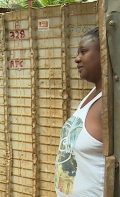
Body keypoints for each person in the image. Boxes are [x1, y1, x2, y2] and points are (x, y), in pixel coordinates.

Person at [54, 27, 103, 196]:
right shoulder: (91, 96)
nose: (77, 59)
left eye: (84, 51)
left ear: (105, 52)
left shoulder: (110, 105)